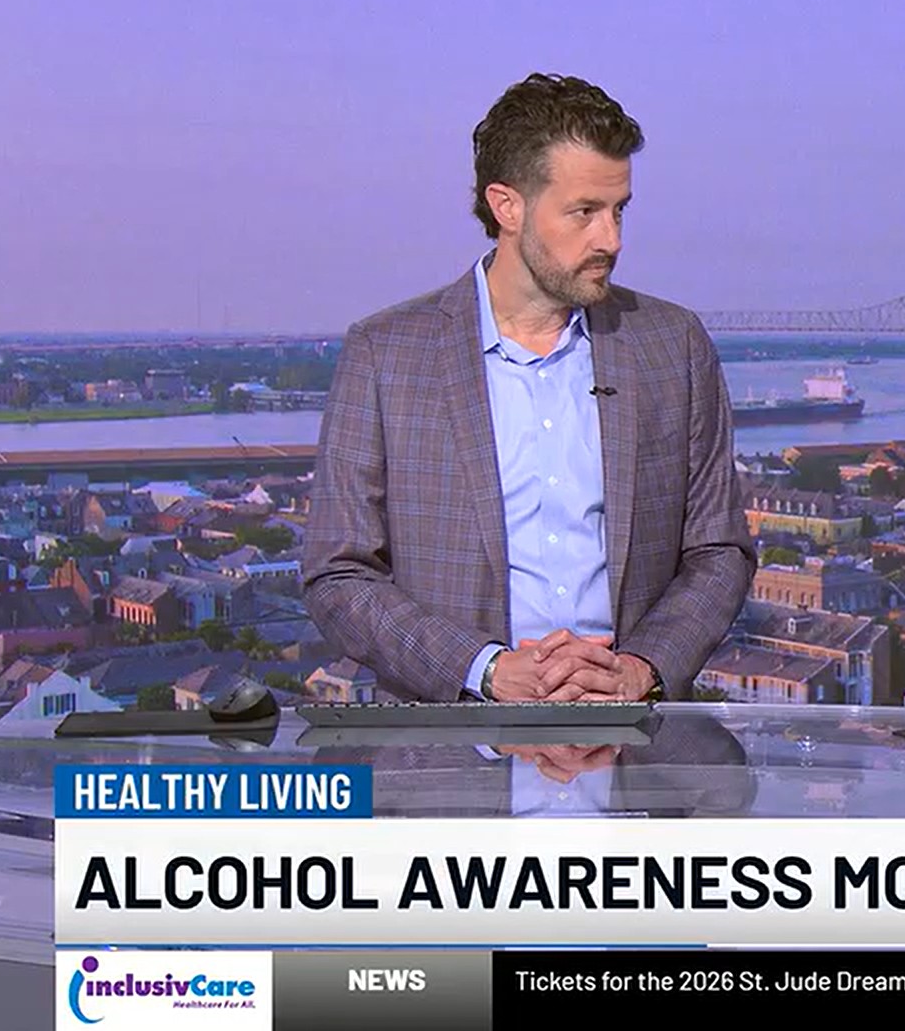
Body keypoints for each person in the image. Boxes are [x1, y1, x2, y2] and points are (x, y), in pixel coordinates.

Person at [302, 73, 754, 704]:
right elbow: (338, 575)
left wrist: (642, 669)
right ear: (506, 205)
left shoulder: (671, 345)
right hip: (450, 761)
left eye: (619, 210)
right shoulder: (386, 355)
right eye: (584, 213)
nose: (612, 240)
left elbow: (719, 550)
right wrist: (483, 669)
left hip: (632, 743)